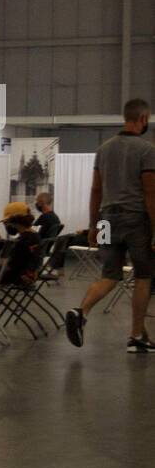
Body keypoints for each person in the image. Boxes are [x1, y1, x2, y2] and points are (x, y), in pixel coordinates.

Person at [66, 98, 155, 353]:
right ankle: (136, 336)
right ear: (143, 119)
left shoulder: (103, 149)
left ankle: (80, 311)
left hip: (106, 218)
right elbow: (150, 192)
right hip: (135, 218)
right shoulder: (147, 150)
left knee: (109, 274)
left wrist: (94, 226)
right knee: (143, 276)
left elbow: (96, 189)